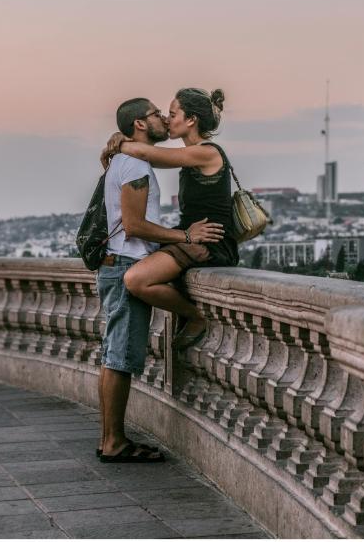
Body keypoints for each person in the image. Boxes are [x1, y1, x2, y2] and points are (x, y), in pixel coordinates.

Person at [97, 96, 224, 463]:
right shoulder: (135, 166)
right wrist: (185, 237)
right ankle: (114, 443)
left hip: (116, 261)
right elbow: (135, 226)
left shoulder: (125, 160)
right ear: (140, 123)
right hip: (126, 263)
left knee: (112, 356)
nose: (163, 121)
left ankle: (109, 437)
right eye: (156, 115)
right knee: (119, 357)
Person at [101, 87, 239, 351]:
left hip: (209, 242)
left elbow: (145, 155)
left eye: (173, 114)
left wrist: (119, 142)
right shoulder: (190, 156)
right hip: (194, 235)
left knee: (135, 279)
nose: (167, 120)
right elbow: (149, 158)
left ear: (191, 120)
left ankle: (195, 316)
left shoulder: (207, 152)